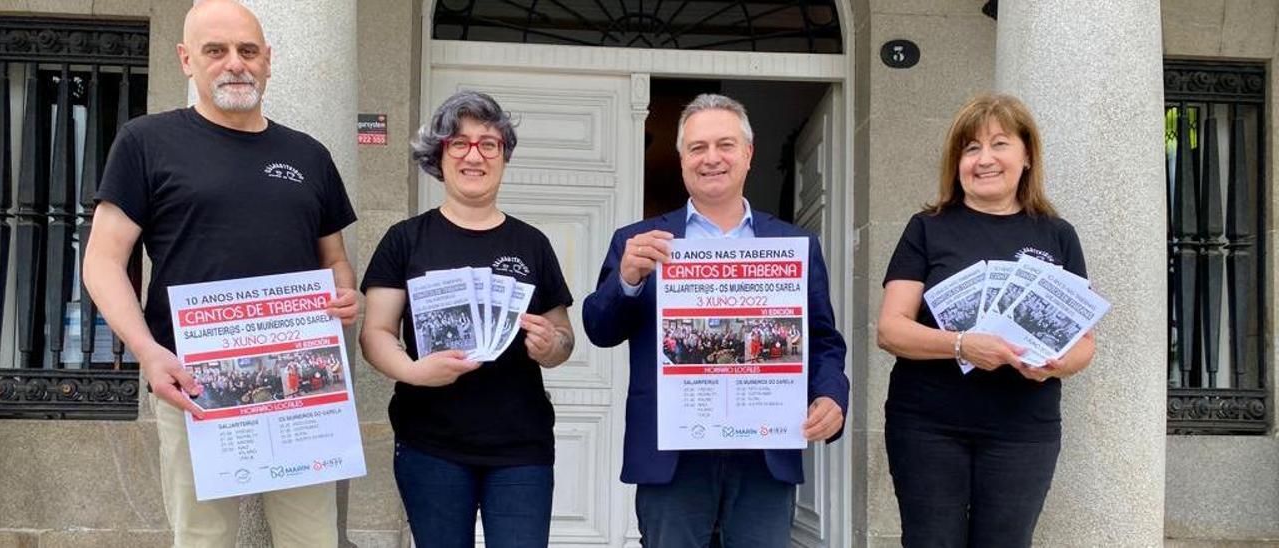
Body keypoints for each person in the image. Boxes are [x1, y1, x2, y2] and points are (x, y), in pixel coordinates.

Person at [81, 1, 357, 546]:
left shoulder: (310, 155)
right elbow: (102, 261)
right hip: (192, 382)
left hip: (300, 389)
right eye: (217, 51)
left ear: (268, 61)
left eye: (248, 50)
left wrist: (346, 292)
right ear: (187, 60)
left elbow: (335, 259)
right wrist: (147, 352)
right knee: (203, 538)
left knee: (315, 537)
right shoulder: (146, 141)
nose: (236, 63)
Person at [582, 93, 850, 546]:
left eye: (725, 145)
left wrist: (831, 396)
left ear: (748, 154)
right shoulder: (640, 242)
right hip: (673, 457)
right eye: (698, 147)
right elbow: (599, 329)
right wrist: (626, 279)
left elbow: (823, 340)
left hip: (764, 453)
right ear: (682, 158)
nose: (712, 159)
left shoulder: (794, 244)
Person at [875, 93, 1097, 547]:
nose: (984, 158)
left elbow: (1083, 343)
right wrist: (961, 345)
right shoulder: (928, 227)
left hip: (1022, 431)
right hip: (927, 426)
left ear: (1027, 155)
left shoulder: (1057, 234)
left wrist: (1053, 364)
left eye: (999, 144)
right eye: (970, 148)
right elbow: (891, 328)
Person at [359, 90, 575, 548]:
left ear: (504, 156)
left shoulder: (532, 243)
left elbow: (564, 339)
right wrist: (415, 371)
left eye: (488, 144)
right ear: (440, 154)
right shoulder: (405, 240)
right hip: (430, 443)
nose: (473, 155)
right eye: (459, 143)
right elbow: (375, 333)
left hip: (521, 447)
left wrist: (550, 346)